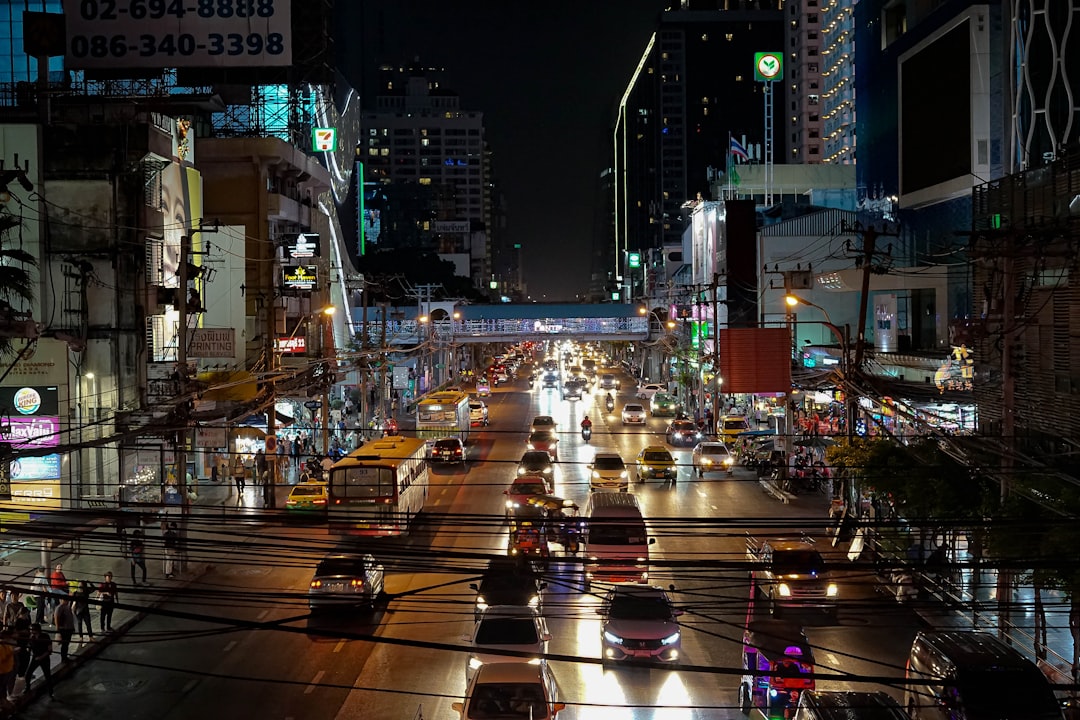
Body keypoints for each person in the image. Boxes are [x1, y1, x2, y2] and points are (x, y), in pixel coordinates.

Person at [21, 623, 52, 698]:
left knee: (47, 675)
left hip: (44, 658)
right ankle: (27, 687)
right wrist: (28, 648)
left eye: (32, 630)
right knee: (28, 674)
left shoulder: (45, 636)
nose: (31, 631)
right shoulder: (32, 637)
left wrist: (41, 657)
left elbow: (50, 650)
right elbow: (29, 646)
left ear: (37, 630)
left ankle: (51, 692)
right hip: (35, 658)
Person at [52, 598, 74, 662]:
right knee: (64, 644)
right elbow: (56, 618)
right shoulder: (59, 608)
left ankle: (65, 657)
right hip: (64, 629)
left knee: (66, 644)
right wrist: (58, 629)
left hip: (69, 628)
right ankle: (63, 658)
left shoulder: (67, 607)